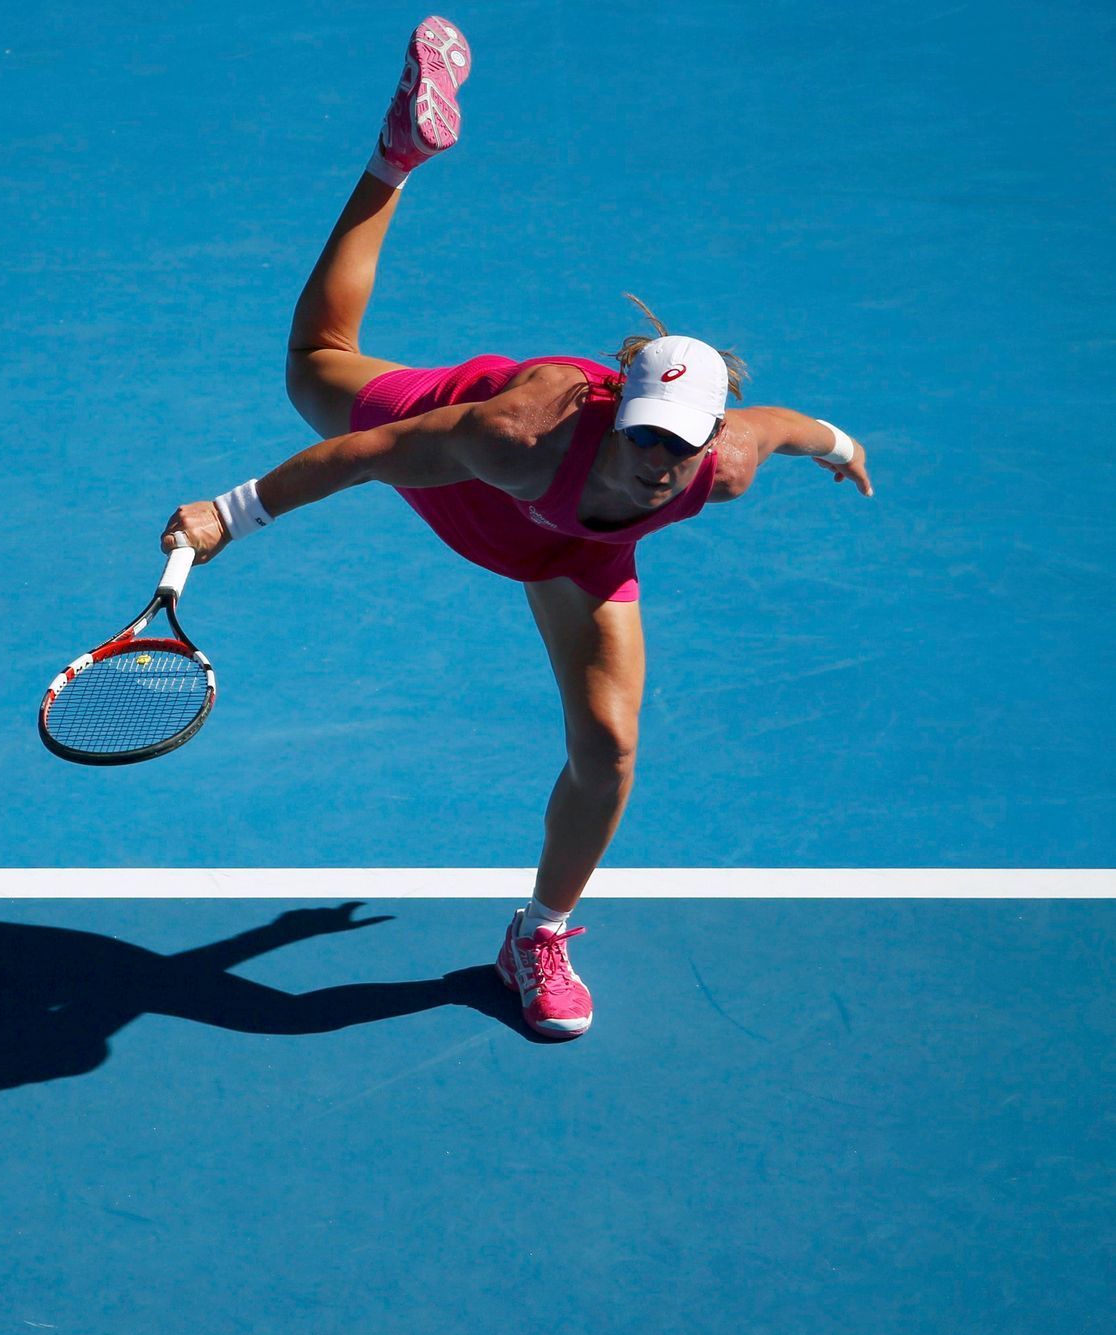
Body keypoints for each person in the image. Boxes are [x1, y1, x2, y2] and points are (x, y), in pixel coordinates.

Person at [160, 16, 875, 1041]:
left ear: (707, 439)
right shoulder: (511, 435)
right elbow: (365, 460)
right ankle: (393, 161)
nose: (654, 460)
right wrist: (231, 514)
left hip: (575, 555)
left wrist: (842, 445)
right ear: (617, 410)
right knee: (313, 360)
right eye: (641, 436)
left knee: (608, 749)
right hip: (465, 482)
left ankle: (536, 936)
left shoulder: (721, 468)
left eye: (676, 444)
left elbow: (787, 427)